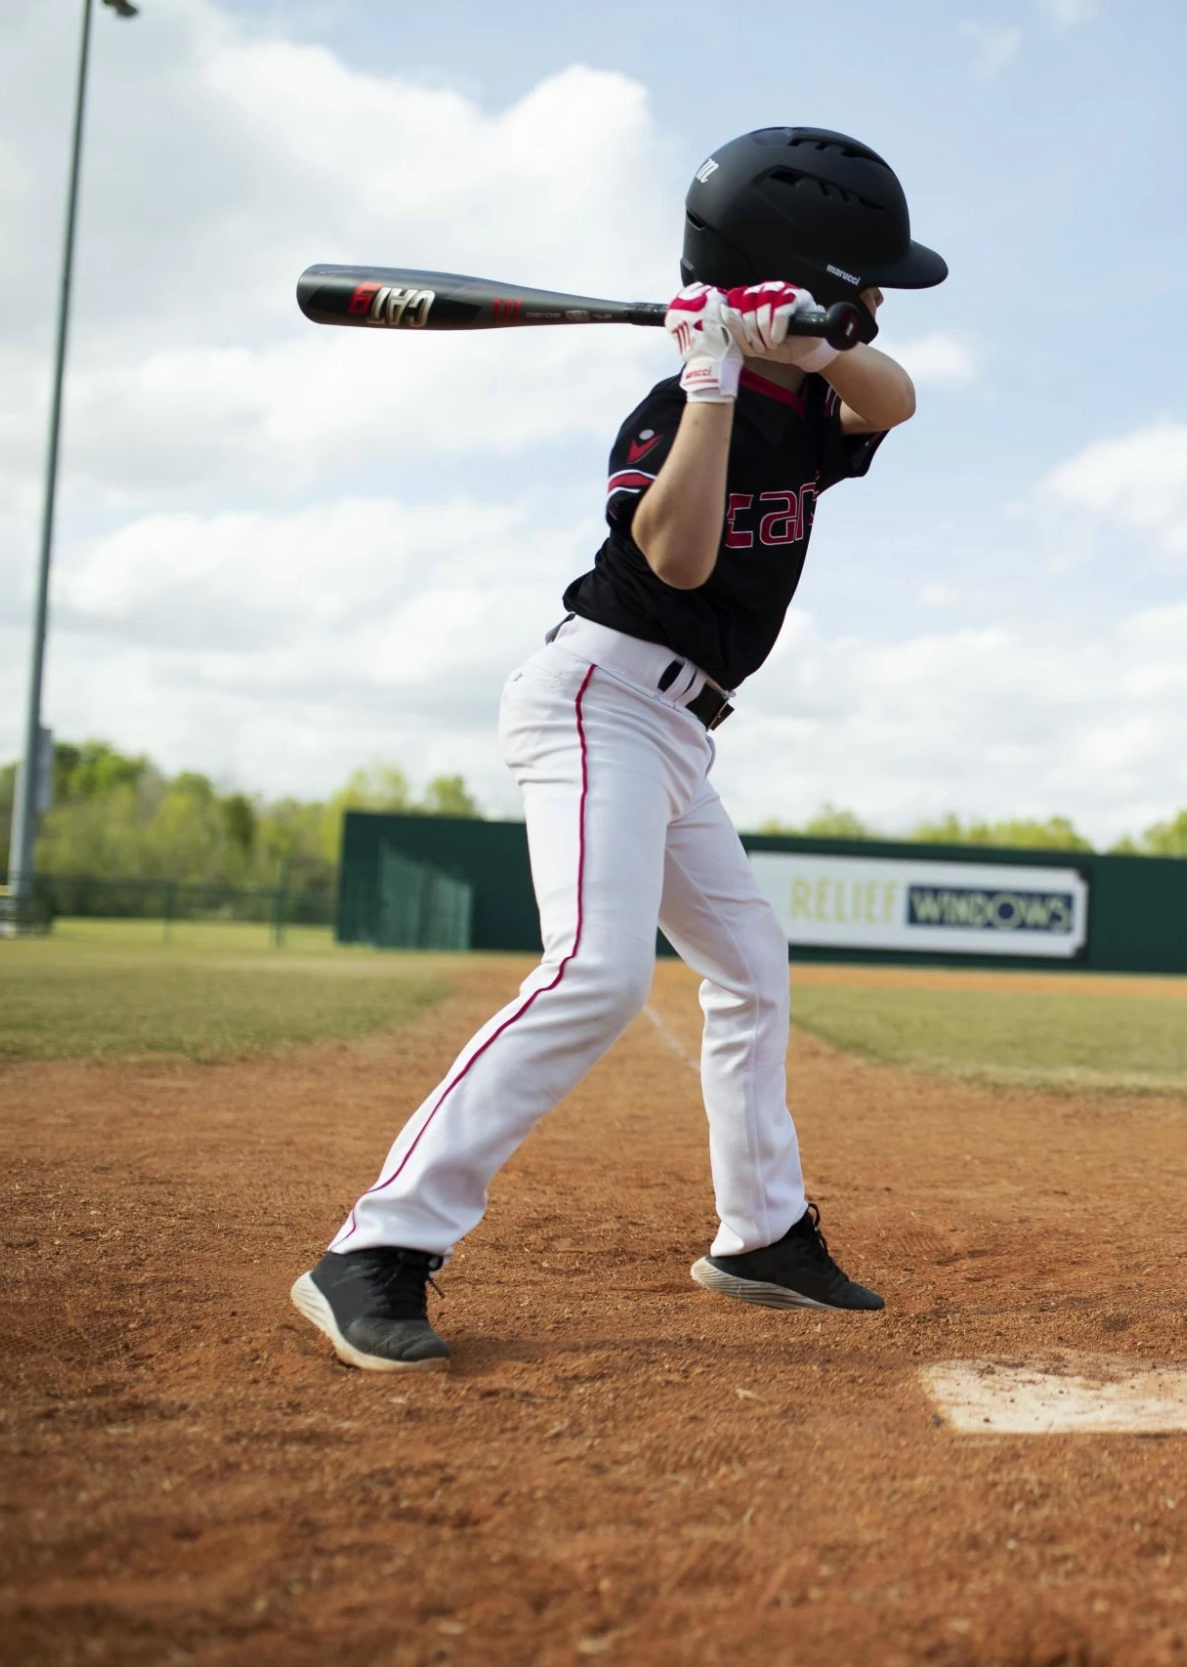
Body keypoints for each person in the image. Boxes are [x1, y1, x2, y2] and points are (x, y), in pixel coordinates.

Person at [290, 129, 946, 1371]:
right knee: (595, 971)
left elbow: (897, 398)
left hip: (678, 729)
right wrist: (709, 379)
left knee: (749, 960)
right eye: (862, 285)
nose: (873, 306)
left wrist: (814, 343)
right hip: (596, 698)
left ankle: (761, 1235)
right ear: (799, 263)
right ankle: (375, 1245)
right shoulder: (672, 404)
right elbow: (681, 558)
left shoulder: (814, 399)